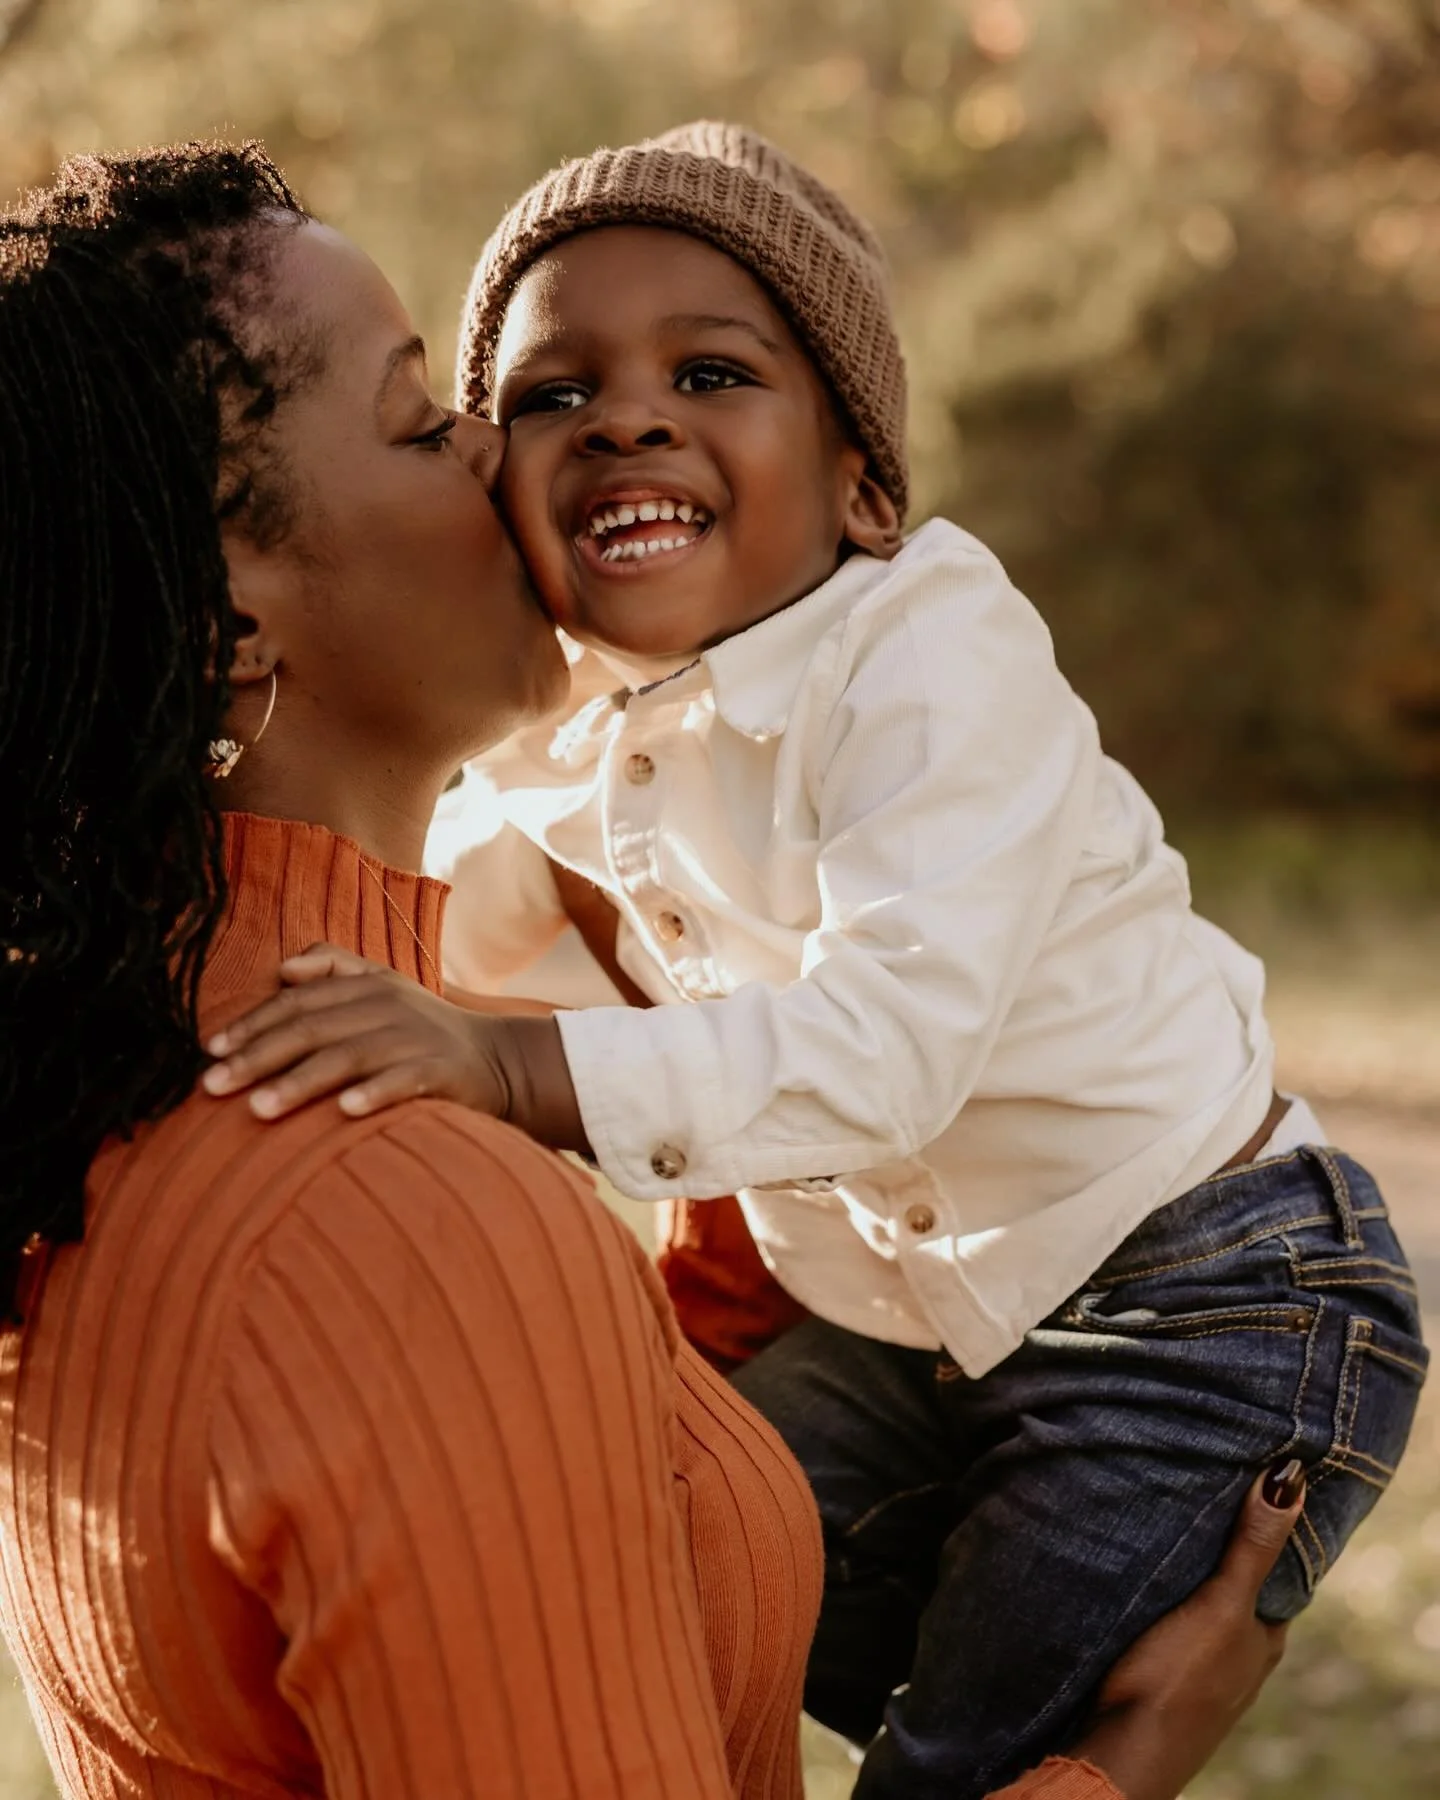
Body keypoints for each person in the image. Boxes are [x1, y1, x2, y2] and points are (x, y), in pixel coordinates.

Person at [0, 138, 1311, 1800]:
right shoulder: (410, 1228)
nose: (505, 449)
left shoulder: (122, 1089)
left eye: (705, 372)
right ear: (228, 623)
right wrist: (1120, 1764)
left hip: (1180, 1273)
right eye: (430, 419)